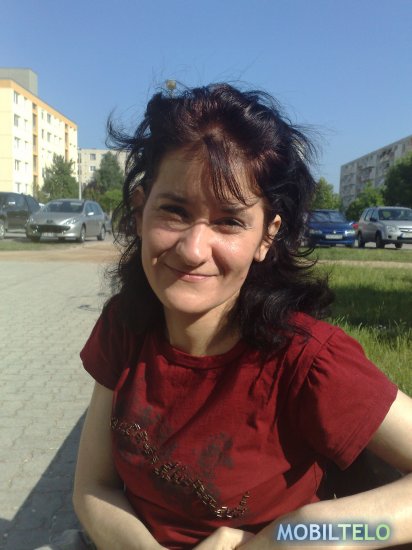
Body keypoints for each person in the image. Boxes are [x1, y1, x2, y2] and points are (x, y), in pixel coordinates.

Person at [71, 83, 412, 550]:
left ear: (267, 236)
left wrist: (295, 534)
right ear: (140, 210)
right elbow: (93, 487)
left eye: (229, 221)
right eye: (174, 211)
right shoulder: (125, 325)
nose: (193, 249)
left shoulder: (309, 361)